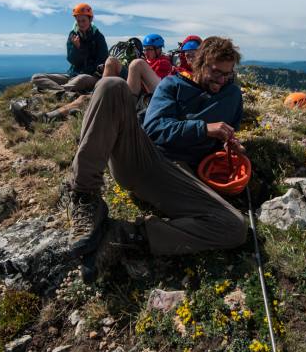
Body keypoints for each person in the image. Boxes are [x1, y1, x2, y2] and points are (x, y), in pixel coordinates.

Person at [66, 36, 247, 284]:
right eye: (215, 72)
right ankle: (85, 197)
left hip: (180, 177)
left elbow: (227, 129)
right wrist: (203, 128)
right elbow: (154, 130)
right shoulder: (171, 85)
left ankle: (122, 235)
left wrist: (229, 144)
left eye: (227, 74)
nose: (221, 80)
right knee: (111, 86)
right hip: (145, 158)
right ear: (199, 63)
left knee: (234, 227)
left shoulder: (232, 95)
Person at [31, 3, 108, 97]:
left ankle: (49, 90)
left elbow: (102, 61)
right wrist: (76, 47)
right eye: (78, 21)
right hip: (72, 75)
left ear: (90, 19)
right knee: (36, 77)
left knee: (81, 79)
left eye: (84, 21)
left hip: (89, 76)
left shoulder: (98, 37)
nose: (81, 24)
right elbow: (72, 61)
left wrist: (82, 74)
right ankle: (65, 93)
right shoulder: (73, 35)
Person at [102, 33, 172, 96]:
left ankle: (128, 104)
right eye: (145, 50)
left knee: (136, 64)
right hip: (134, 84)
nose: (146, 53)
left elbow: (152, 85)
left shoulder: (164, 63)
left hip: (142, 92)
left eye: (149, 49)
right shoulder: (147, 61)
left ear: (159, 49)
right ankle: (100, 95)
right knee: (111, 61)